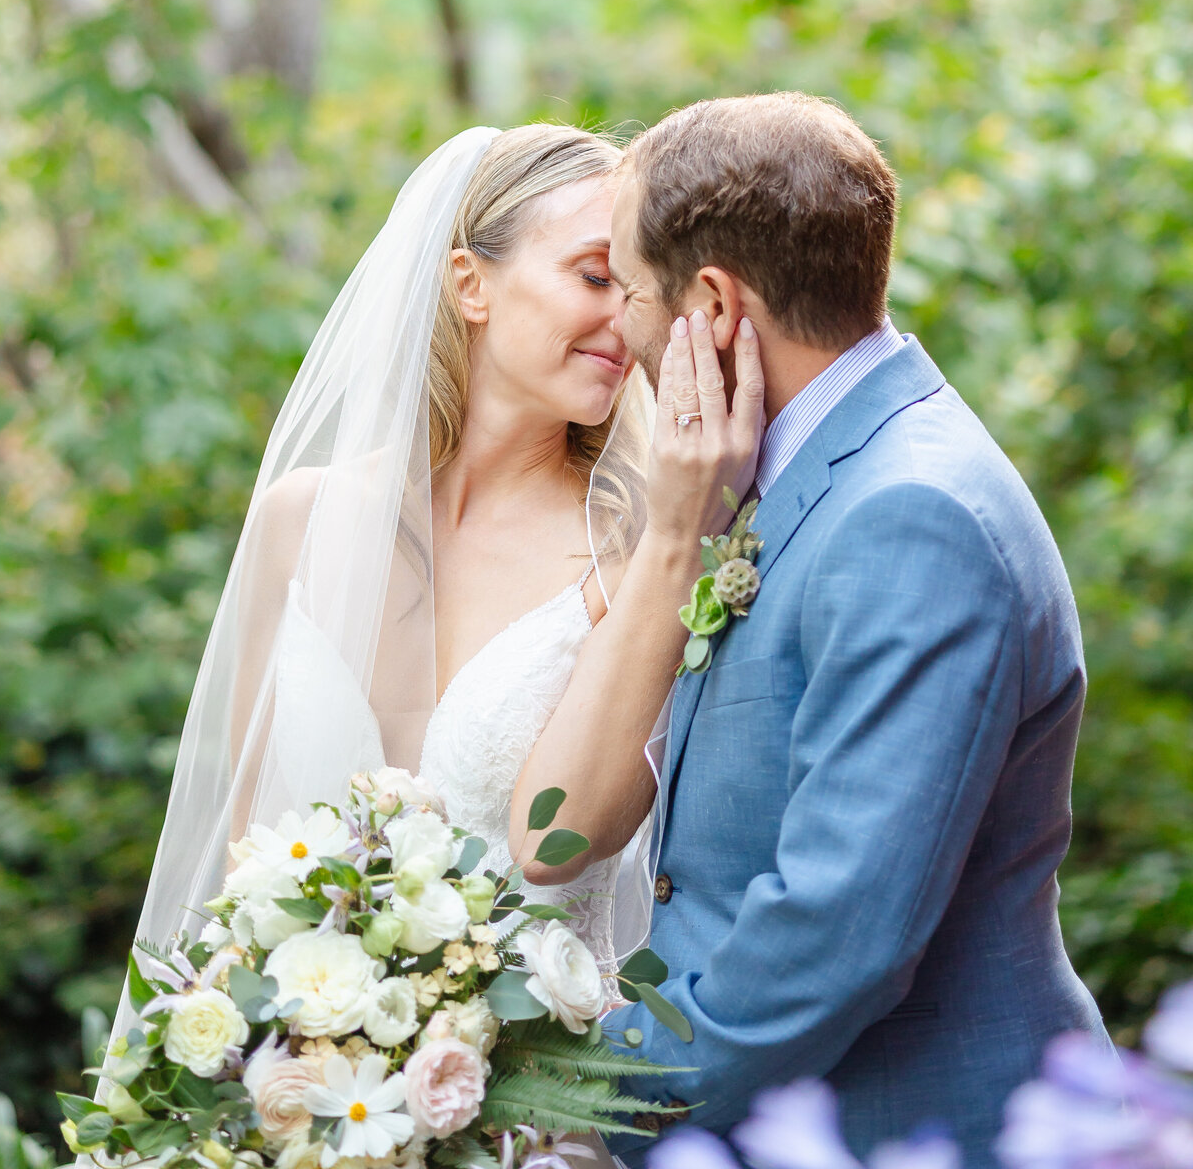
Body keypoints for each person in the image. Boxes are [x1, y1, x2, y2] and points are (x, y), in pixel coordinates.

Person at [112, 121, 764, 1056]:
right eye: (592, 276)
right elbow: (243, 862)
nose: (626, 321)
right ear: (470, 284)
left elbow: (570, 844)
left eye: (637, 290)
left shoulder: (641, 555)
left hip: (531, 1110)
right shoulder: (299, 522)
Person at [600, 91, 1110, 1169]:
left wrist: (580, 1103)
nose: (619, 327)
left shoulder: (908, 517)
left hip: (922, 1128)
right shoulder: (801, 480)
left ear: (712, 305)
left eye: (632, 293)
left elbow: (835, 937)